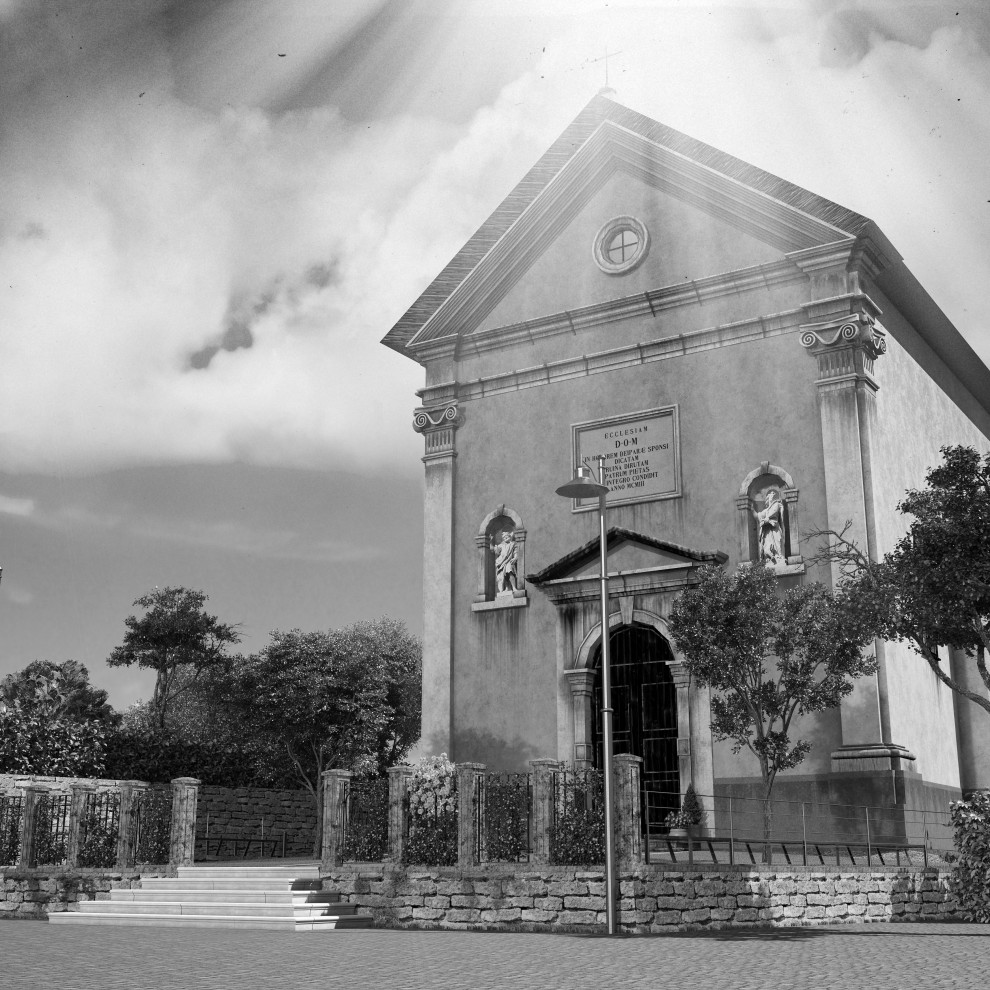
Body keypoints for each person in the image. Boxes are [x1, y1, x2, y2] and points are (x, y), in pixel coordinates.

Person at [751, 488, 785, 563]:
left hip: (774, 528)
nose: (772, 495)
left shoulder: (777, 505)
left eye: (773, 493)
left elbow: (774, 512)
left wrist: (767, 520)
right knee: (767, 545)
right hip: (767, 530)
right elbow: (758, 516)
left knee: (777, 542)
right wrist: (752, 509)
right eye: (771, 494)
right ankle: (770, 558)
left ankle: (778, 556)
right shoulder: (765, 511)